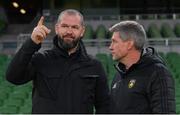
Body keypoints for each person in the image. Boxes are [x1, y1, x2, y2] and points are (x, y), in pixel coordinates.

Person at [6, 9, 110, 114]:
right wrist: (32, 43)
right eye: (64, 26)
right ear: (57, 28)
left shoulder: (95, 66)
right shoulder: (41, 59)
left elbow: (104, 106)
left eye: (75, 27)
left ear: (82, 31)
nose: (69, 31)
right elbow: (13, 77)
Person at [109, 20, 176, 113]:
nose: (110, 47)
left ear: (129, 44)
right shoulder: (118, 75)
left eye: (114, 42)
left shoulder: (157, 73)